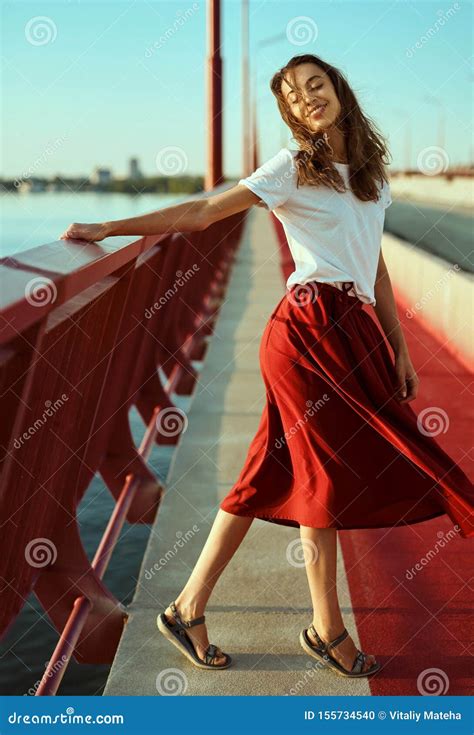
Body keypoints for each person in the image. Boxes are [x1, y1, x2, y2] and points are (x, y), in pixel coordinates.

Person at [60, 54, 474, 679]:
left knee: (268, 473)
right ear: (289, 112)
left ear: (339, 89)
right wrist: (110, 225)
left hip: (354, 331)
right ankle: (327, 627)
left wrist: (400, 347)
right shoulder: (291, 169)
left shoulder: (369, 176)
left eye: (317, 85)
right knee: (325, 480)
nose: (310, 98)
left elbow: (377, 267)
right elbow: (203, 214)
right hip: (306, 334)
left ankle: (185, 608)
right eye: (295, 95)